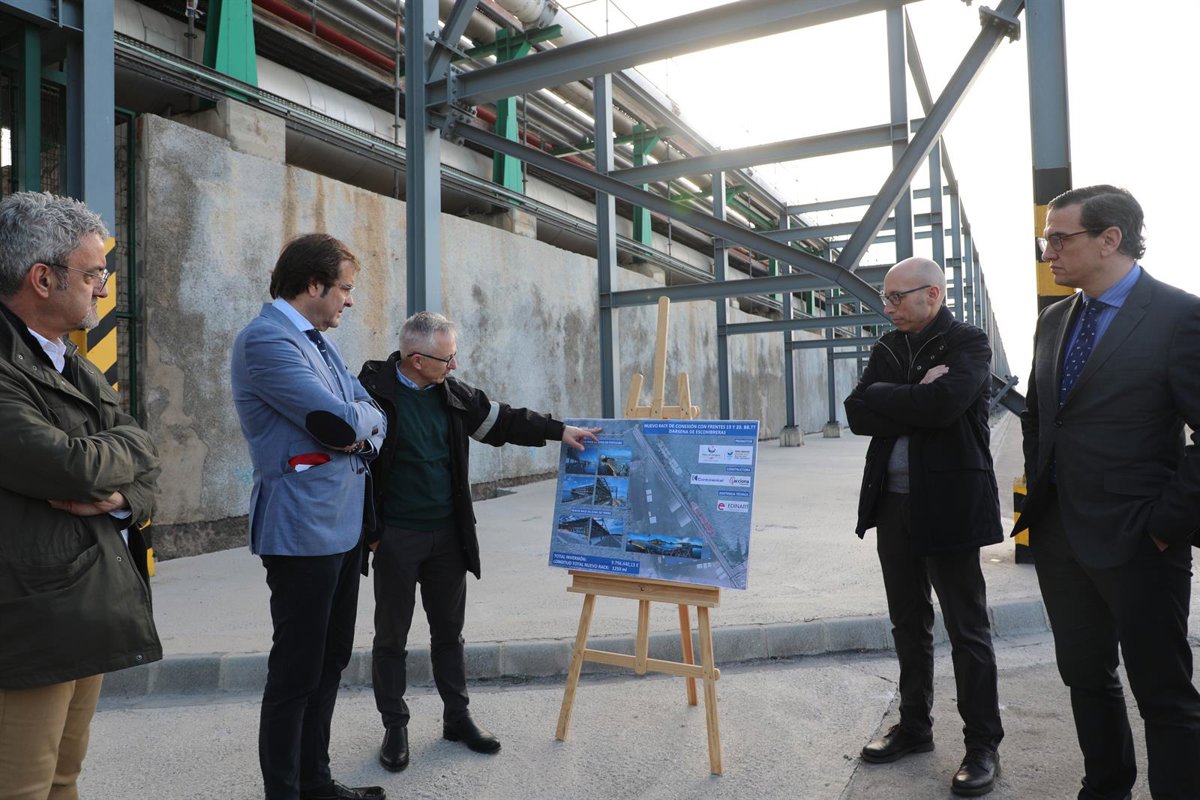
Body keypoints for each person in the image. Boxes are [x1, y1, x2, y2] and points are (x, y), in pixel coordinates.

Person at [1013, 185, 1200, 799]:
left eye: (1058, 239)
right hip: (1060, 536)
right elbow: (1040, 416)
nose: (1048, 252)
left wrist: (1166, 524)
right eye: (1045, 240)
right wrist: (1044, 491)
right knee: (1086, 678)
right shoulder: (1053, 320)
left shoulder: (1178, 316)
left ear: (1109, 239)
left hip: (1140, 541)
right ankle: (1104, 787)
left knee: (1164, 694)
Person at [358, 311, 599, 772]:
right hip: (395, 538)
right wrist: (370, 533)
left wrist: (559, 431)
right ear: (415, 359)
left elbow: (503, 421)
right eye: (446, 359)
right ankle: (395, 726)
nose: (454, 366)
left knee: (449, 633)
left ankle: (457, 716)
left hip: (448, 537)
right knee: (391, 637)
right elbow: (351, 466)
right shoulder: (372, 393)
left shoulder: (454, 394)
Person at [0, 191, 161, 799]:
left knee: (64, 779)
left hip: (80, 605)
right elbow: (68, 466)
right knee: (23, 787)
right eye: (94, 274)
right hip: (28, 619)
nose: (103, 288)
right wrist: (124, 455)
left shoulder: (69, 360)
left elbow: (142, 455)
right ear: (43, 279)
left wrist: (121, 499)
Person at [231, 234, 387, 800]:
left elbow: (375, 413)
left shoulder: (316, 343)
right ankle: (285, 791)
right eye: (345, 288)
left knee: (330, 660)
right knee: (297, 671)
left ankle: (316, 782)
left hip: (341, 528)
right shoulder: (266, 341)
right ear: (314, 284)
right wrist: (359, 424)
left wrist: (361, 424)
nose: (350, 299)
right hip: (301, 530)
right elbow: (337, 423)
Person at [844, 256, 1004, 797]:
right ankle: (914, 727)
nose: (887, 307)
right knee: (907, 622)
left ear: (932, 295)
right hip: (892, 505)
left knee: (967, 628)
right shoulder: (889, 346)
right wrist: (916, 390)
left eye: (897, 297)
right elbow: (857, 412)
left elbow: (944, 406)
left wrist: (891, 395)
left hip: (949, 505)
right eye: (885, 298)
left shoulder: (968, 342)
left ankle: (982, 745)